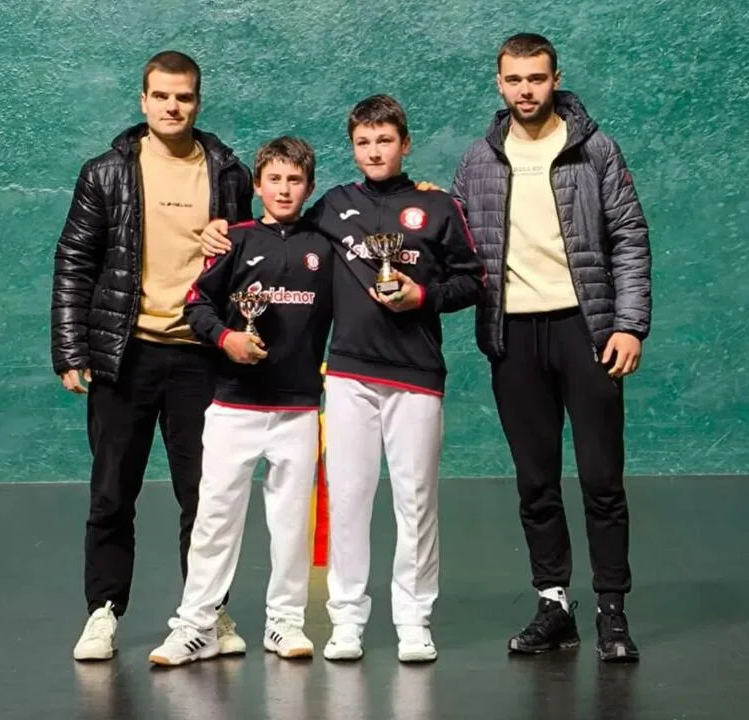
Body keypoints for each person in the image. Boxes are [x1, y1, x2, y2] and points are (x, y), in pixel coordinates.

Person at [201, 95, 484, 663]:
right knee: (349, 500)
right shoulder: (333, 206)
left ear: (405, 144)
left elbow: (472, 281)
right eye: (363, 142)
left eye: (385, 141)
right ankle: (347, 620)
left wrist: (422, 295)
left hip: (417, 376)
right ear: (353, 148)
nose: (374, 151)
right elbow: (277, 228)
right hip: (349, 376)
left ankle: (414, 620)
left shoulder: (439, 207)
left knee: (416, 501)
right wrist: (219, 229)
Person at [451, 33, 652, 662]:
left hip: (586, 332)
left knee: (601, 480)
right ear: (499, 83)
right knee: (536, 482)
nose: (525, 90)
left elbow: (629, 236)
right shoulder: (477, 161)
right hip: (513, 336)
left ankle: (612, 613)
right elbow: (456, 246)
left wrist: (629, 325)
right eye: (514, 80)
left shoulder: (595, 149)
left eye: (536, 78)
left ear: (555, 78)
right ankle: (554, 606)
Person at [50, 50, 252, 661]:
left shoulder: (229, 173)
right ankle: (104, 611)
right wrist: (71, 348)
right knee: (113, 493)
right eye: (161, 95)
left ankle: (207, 613)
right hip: (124, 354)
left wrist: (230, 245)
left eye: (183, 96)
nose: (172, 106)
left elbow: (251, 260)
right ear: (143, 101)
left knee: (206, 498)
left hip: (200, 357)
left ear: (198, 101)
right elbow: (74, 261)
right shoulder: (106, 173)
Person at [148, 136, 333, 665]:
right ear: (257, 185)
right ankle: (196, 627)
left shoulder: (325, 246)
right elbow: (196, 304)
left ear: (309, 187)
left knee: (290, 524)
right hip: (233, 406)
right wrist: (227, 338)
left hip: (298, 409)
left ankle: (285, 623)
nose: (284, 189)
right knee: (214, 518)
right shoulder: (233, 240)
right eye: (274, 179)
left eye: (294, 180)